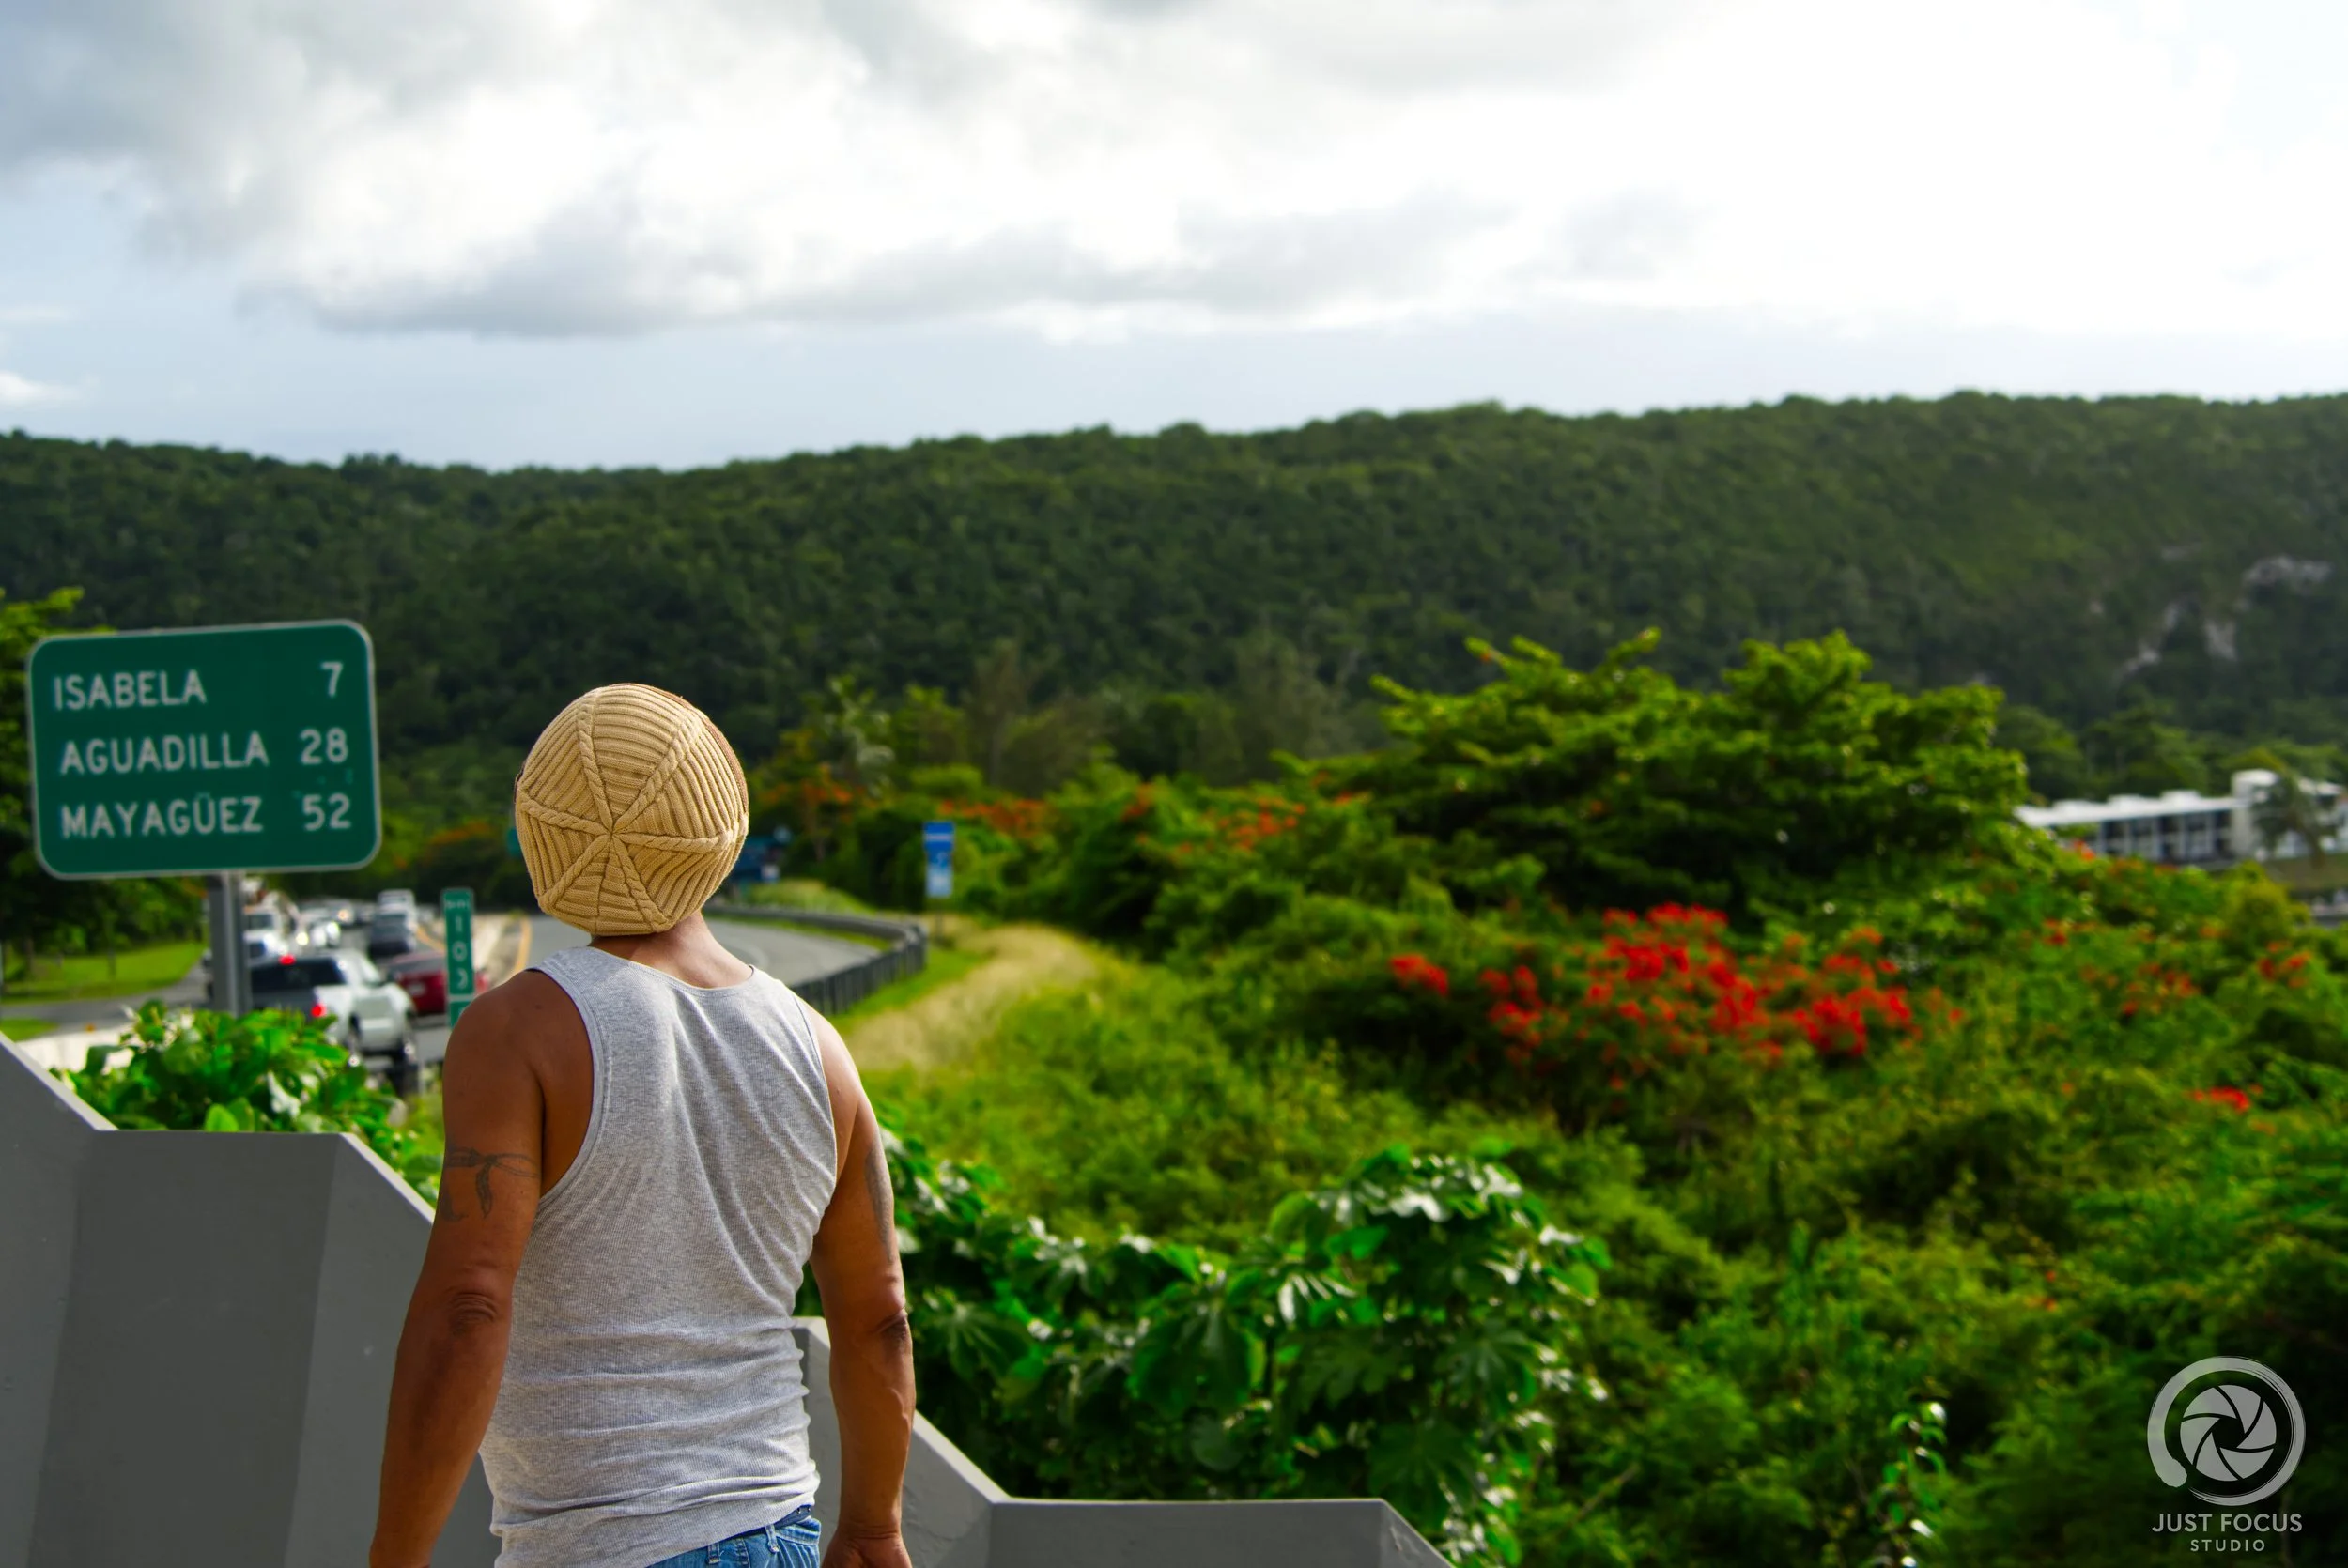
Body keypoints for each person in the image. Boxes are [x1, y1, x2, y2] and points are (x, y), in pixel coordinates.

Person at [369, 684, 915, 1568]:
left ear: (542, 837)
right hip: (782, 1529)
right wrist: (874, 1526)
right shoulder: (819, 1050)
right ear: (723, 837)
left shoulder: (518, 1029)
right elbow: (878, 1317)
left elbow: (470, 1305)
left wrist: (393, 1556)